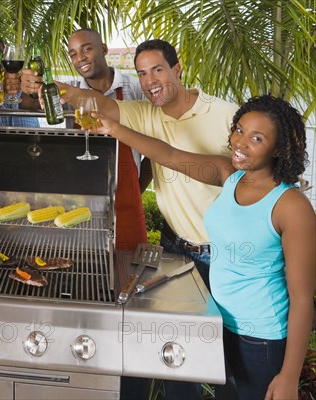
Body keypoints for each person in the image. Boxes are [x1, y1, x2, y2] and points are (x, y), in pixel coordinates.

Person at [35, 38, 239, 400]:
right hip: (178, 249)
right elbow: (98, 104)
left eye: (157, 70)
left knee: (231, 357)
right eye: (142, 73)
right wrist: (56, 90)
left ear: (177, 69)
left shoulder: (225, 115)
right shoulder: (146, 113)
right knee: (177, 351)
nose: (149, 81)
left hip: (227, 254)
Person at [96, 94, 315, 400]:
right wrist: (115, 129)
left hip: (261, 339)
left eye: (256, 138)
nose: (240, 142)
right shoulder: (230, 176)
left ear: (278, 148)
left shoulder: (291, 205)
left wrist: (290, 376)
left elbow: (303, 298)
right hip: (218, 322)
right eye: (239, 129)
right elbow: (170, 156)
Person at [66, 28, 150, 253]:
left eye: (87, 49)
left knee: (129, 271)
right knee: (83, 268)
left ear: (103, 49)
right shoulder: (69, 93)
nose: (80, 58)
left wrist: (134, 196)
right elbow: (31, 102)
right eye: (73, 54)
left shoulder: (135, 89)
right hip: (80, 207)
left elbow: (154, 151)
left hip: (127, 205)